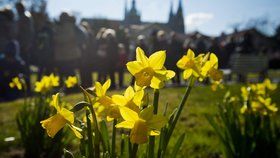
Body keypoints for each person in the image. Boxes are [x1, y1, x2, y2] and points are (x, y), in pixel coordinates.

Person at [53, 12, 83, 80]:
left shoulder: (69, 26)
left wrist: (56, 38)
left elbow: (67, 37)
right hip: (63, 54)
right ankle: (67, 86)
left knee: (70, 71)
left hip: (69, 54)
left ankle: (73, 86)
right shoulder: (61, 26)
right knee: (64, 71)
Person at [15, 2, 35, 92]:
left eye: (18, 8)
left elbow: (29, 32)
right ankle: (24, 88)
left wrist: (28, 44)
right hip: (21, 45)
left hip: (25, 46)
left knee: (25, 67)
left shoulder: (25, 17)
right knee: (22, 67)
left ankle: (27, 88)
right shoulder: (21, 17)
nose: (17, 10)